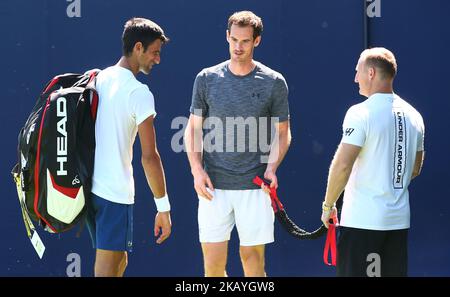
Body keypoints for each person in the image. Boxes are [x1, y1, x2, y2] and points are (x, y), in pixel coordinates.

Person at [184, 11, 291, 277]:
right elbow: (193, 129)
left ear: (257, 41)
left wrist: (271, 169)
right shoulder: (206, 78)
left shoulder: (273, 81)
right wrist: (197, 171)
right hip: (213, 188)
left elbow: (283, 133)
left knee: (253, 263)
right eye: (233, 39)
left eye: (245, 41)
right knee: (213, 266)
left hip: (255, 187)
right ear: (227, 37)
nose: (238, 47)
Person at [320, 47, 425, 277]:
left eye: (357, 71)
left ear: (370, 73)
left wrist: (328, 206)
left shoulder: (360, 113)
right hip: (397, 224)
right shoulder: (414, 115)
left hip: (362, 225)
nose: (354, 78)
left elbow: (343, 165)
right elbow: (415, 168)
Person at [86, 17, 172, 277]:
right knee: (108, 268)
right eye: (155, 52)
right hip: (114, 194)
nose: (157, 59)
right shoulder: (139, 92)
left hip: (91, 190)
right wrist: (163, 208)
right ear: (138, 48)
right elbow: (149, 157)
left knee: (119, 262)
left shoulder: (99, 78)